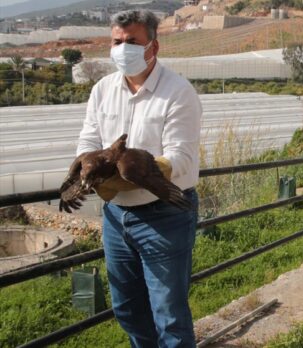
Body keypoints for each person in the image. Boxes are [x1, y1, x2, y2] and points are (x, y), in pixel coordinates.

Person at [76, 10, 202, 347]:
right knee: (127, 308)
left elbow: (182, 158)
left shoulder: (177, 92)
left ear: (153, 47)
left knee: (169, 315)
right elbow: (89, 142)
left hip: (164, 215)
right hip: (116, 217)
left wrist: (132, 175)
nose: (122, 49)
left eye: (132, 41)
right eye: (117, 41)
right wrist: (91, 170)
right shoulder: (102, 89)